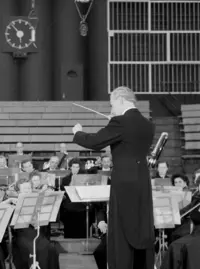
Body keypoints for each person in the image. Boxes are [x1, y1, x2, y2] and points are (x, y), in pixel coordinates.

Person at [72, 86, 155, 269]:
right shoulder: (147, 124)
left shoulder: (120, 122)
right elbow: (129, 143)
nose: (111, 110)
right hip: (142, 180)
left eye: (112, 105)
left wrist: (77, 132)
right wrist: (115, 124)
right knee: (140, 224)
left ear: (121, 100)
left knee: (121, 228)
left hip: (124, 182)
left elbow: (95, 141)